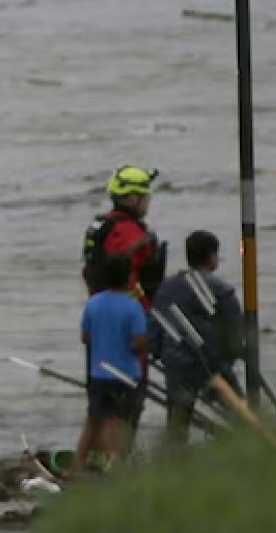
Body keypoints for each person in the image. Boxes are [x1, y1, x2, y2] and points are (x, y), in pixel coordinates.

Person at [150, 230, 243, 449]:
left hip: (177, 363)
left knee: (178, 422)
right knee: (239, 412)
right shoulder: (220, 289)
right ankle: (252, 448)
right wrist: (231, 355)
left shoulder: (167, 287)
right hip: (212, 365)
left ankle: (175, 461)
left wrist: (158, 352)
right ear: (212, 256)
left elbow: (155, 324)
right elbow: (235, 329)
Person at [75, 253, 148, 473]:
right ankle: (115, 466)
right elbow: (139, 343)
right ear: (129, 277)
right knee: (119, 422)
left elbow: (85, 338)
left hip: (98, 374)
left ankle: (78, 465)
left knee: (93, 419)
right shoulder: (133, 307)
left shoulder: (93, 304)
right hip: (125, 374)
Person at [81, 165, 165, 306]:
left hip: (100, 305)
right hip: (128, 309)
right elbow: (128, 278)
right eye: (145, 195)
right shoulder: (128, 232)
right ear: (132, 198)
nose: (149, 199)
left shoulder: (103, 224)